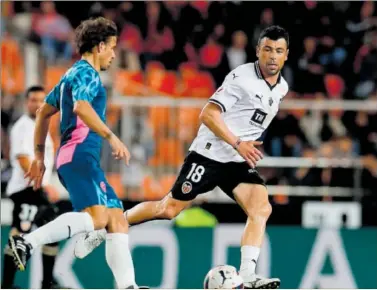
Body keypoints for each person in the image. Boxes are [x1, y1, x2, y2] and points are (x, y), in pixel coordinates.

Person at [76, 25, 290, 289]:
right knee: (168, 209)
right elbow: (207, 114)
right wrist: (238, 142)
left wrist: (243, 144)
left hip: (235, 160)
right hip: (210, 154)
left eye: (278, 51)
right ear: (258, 51)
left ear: (286, 55)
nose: (272, 56)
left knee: (262, 207)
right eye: (267, 49)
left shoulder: (281, 88)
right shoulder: (241, 77)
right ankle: (106, 226)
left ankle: (247, 274)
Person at [8, 17, 144, 289]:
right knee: (98, 218)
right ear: (99, 46)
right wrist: (111, 136)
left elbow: (43, 113)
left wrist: (39, 157)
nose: (114, 54)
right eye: (112, 47)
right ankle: (27, 242)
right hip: (79, 155)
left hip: (78, 157)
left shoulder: (70, 74)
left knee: (117, 218)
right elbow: (81, 107)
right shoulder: (86, 73)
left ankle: (128, 286)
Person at [2, 86, 64, 289]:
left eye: (41, 100)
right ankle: (10, 284)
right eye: (33, 100)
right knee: (21, 232)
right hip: (26, 189)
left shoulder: (41, 126)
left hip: (36, 188)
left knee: (46, 229)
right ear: (26, 102)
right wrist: (42, 185)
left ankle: (45, 282)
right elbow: (22, 158)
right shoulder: (24, 126)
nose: (37, 104)